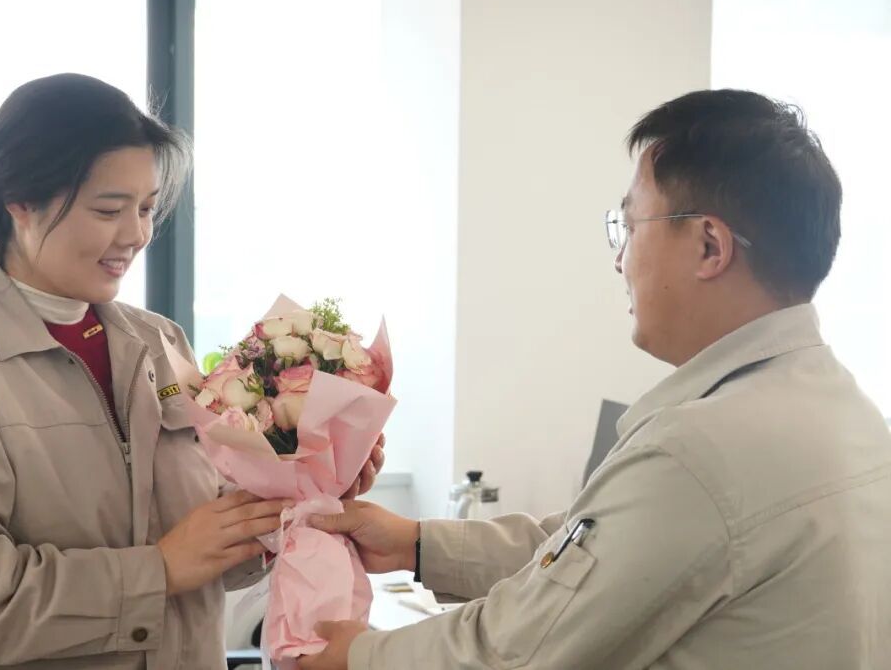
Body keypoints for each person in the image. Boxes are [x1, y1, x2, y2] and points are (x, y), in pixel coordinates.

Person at [300, 89, 891, 669]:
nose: (619, 259)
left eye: (629, 226)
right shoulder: (850, 413)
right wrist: (418, 544)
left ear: (710, 246)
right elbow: (589, 558)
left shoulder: (700, 453)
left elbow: (515, 651)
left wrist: (363, 656)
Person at [0, 73, 384, 669]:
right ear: (21, 203)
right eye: (109, 209)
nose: (136, 235)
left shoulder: (160, 343)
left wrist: (306, 485)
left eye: (147, 208)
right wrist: (157, 571)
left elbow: (210, 540)